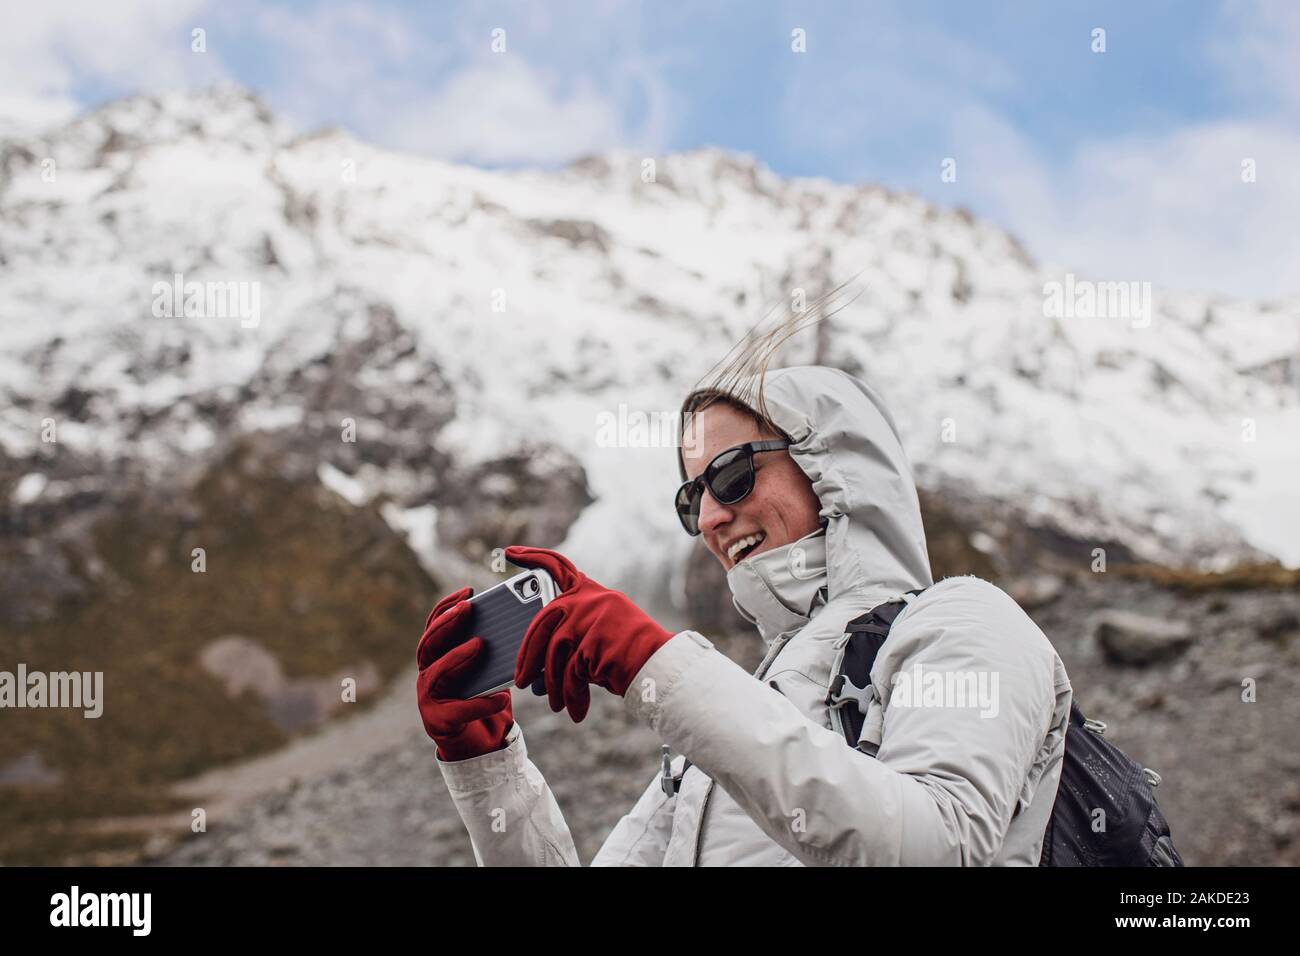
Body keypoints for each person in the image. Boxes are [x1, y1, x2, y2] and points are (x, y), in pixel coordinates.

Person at [416, 364, 1073, 865]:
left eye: (731, 476)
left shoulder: (967, 618)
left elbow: (945, 846)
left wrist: (654, 664)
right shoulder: (727, 728)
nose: (708, 518)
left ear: (832, 465)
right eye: (691, 497)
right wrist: (486, 764)